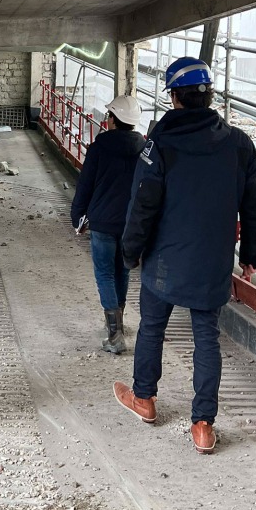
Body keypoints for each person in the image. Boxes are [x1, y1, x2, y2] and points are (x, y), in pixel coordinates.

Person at [114, 57, 256, 454]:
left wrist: (129, 252)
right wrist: (251, 254)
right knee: (206, 339)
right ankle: (202, 426)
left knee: (152, 328)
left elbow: (142, 204)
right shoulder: (239, 144)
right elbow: (252, 207)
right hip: (212, 261)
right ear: (209, 96)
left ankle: (144, 400)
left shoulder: (160, 144)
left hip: (164, 259)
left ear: (175, 99)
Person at [70, 95, 145, 354]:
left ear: (113, 119)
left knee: (104, 273)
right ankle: (118, 324)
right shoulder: (145, 148)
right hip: (130, 222)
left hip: (102, 221)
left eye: (108, 115)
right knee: (122, 271)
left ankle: (114, 334)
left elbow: (85, 185)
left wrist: (77, 216)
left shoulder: (99, 146)